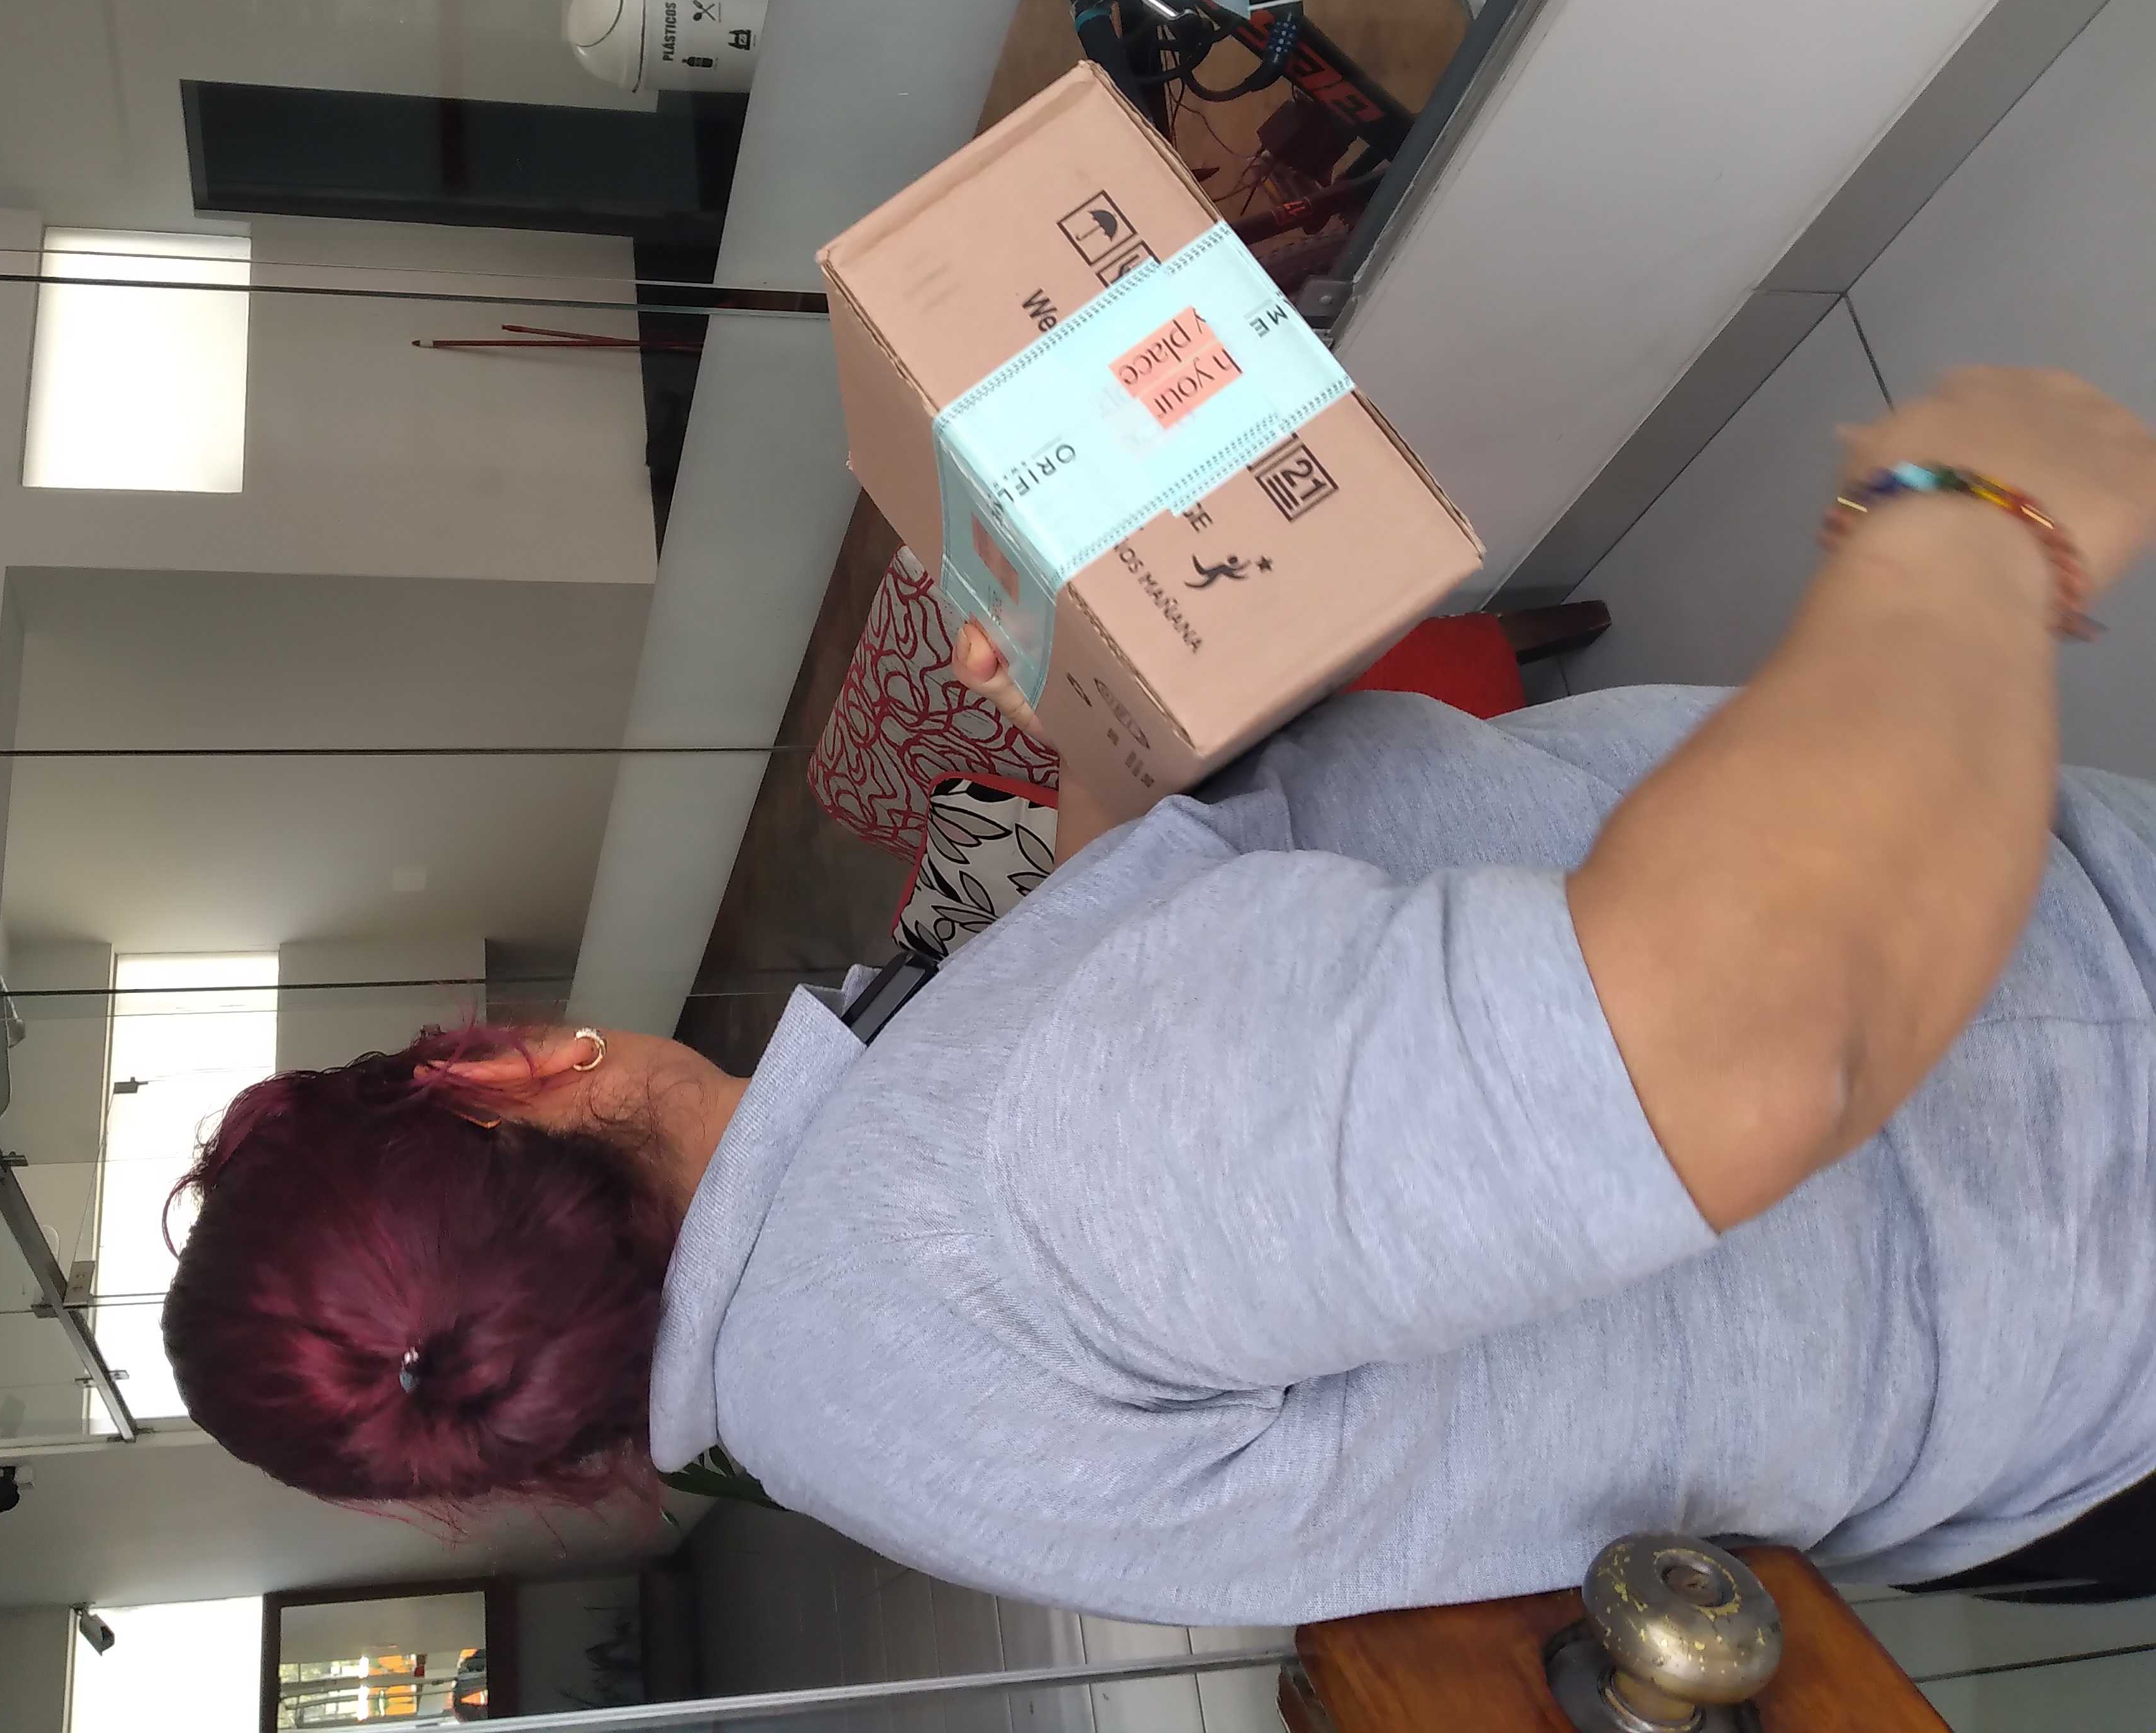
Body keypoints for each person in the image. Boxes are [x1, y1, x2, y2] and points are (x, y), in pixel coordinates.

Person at [162, 367, 2156, 1624]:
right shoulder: (995, 1183)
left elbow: (1208, 1081)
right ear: (507, 1071)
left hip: (2025, 1303)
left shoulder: (846, 1354)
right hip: (2069, 1135)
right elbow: (1754, 1033)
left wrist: (1103, 749)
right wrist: (1978, 518)